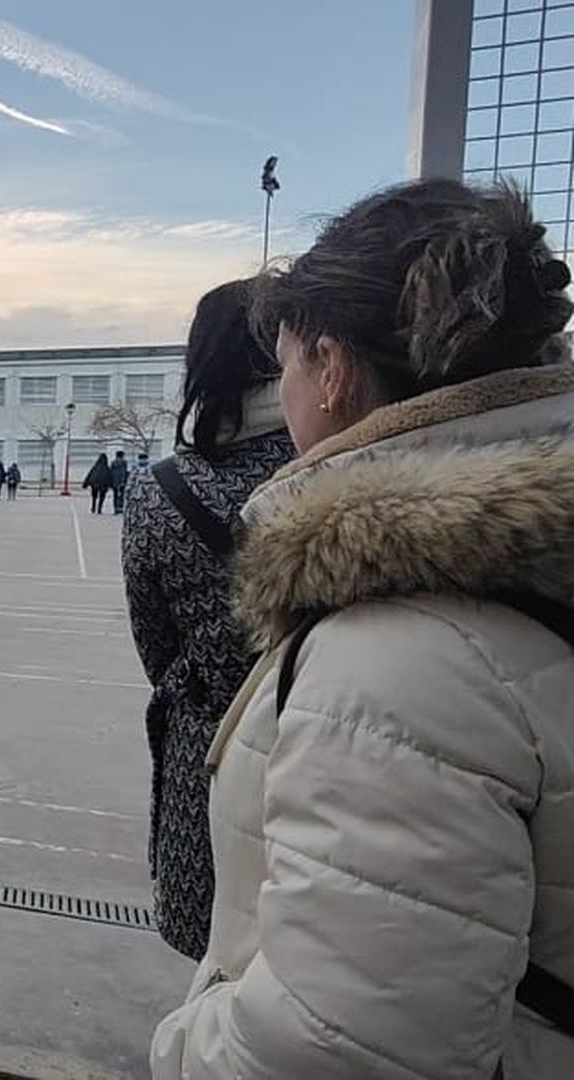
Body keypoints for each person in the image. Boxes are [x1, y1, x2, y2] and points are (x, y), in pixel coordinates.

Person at [151, 179, 574, 1078]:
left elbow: (334, 1045)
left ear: (334, 371)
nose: (286, 390)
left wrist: (188, 1044)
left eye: (291, 362)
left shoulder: (397, 664)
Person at [121, 279, 294, 962]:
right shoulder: (341, 470)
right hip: (332, 761)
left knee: (218, 957)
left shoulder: (163, 490)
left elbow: (157, 649)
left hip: (211, 755)